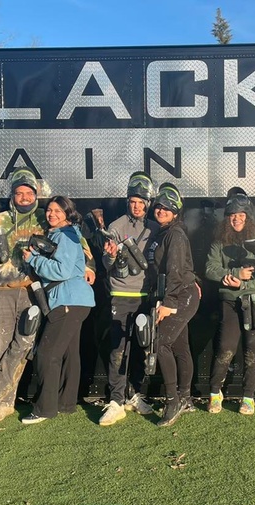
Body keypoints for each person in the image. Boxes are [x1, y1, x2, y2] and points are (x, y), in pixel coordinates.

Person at [0, 167, 47, 424]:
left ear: (35, 195)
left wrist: (88, 266)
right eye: (19, 193)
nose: (25, 197)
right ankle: (5, 403)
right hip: (1, 291)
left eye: (29, 193)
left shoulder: (46, 219)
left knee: (23, 345)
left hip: (31, 290)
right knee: (1, 346)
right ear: (12, 195)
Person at [21, 196, 95, 423]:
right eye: (49, 210)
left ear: (67, 213)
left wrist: (33, 259)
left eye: (58, 211)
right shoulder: (67, 234)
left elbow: (62, 271)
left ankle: (44, 408)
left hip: (67, 301)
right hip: (76, 301)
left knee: (47, 354)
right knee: (69, 353)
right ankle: (65, 403)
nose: (52, 214)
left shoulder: (65, 235)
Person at [97, 172, 159, 426]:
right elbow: (106, 263)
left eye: (141, 202)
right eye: (132, 201)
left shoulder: (155, 227)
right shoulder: (116, 226)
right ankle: (115, 401)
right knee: (118, 349)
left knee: (141, 348)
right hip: (121, 295)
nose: (136, 206)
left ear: (148, 204)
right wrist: (111, 255)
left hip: (146, 296)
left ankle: (134, 394)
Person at [205, 187, 255, 415]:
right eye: (232, 215)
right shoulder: (219, 242)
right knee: (225, 347)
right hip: (230, 302)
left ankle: (248, 397)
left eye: (241, 215)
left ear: (248, 217)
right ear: (227, 218)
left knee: (253, 349)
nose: (237, 219)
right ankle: (215, 393)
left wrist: (244, 284)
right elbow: (210, 269)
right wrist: (234, 273)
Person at [148, 183, 200, 427]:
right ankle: (186, 398)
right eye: (159, 206)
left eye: (167, 208)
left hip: (181, 296)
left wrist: (169, 303)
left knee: (161, 343)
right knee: (180, 347)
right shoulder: (163, 233)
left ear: (176, 212)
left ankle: (173, 401)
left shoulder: (175, 235)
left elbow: (176, 271)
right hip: (176, 294)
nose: (161, 210)